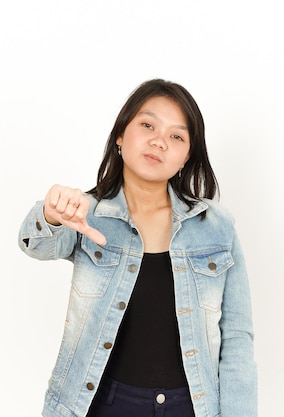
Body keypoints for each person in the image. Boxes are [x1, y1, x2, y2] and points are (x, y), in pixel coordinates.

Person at [18, 79, 257, 417]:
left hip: (190, 408)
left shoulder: (216, 226)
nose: (159, 141)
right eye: (147, 125)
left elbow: (237, 338)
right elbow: (34, 244)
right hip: (101, 405)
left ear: (187, 155)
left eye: (176, 136)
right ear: (120, 135)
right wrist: (50, 214)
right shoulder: (86, 214)